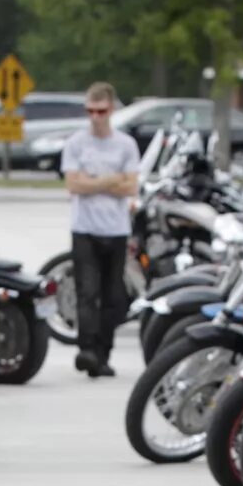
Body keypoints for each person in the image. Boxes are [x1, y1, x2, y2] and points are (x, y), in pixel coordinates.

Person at [60, 82, 139, 377]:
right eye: (90, 111)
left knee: (112, 295)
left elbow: (130, 186)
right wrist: (110, 181)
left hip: (116, 229)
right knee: (87, 292)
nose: (95, 117)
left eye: (101, 111)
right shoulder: (77, 143)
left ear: (112, 110)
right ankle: (87, 349)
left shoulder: (125, 145)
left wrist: (92, 182)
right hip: (85, 228)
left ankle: (104, 353)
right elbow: (73, 184)